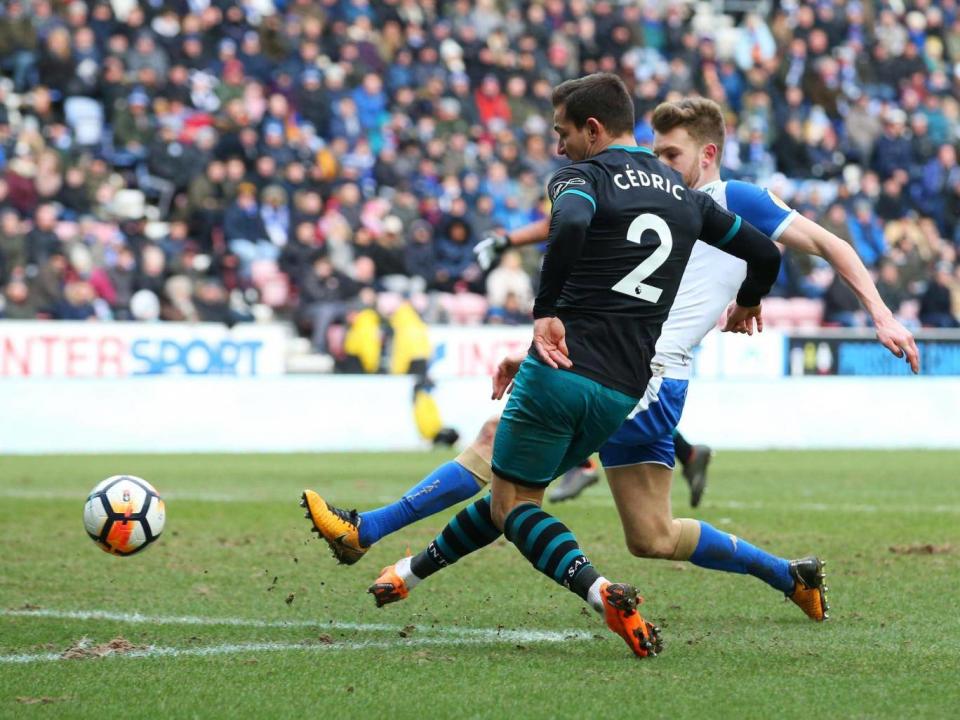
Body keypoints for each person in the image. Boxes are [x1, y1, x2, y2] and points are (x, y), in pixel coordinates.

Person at [303, 74, 783, 658]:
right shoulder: (685, 197)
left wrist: (545, 312)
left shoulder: (583, 177)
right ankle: (394, 560)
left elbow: (574, 222)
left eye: (563, 133)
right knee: (511, 488)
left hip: (561, 367)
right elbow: (762, 251)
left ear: (593, 129)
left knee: (514, 506)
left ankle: (600, 592)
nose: (559, 147)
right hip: (623, 390)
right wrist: (751, 300)